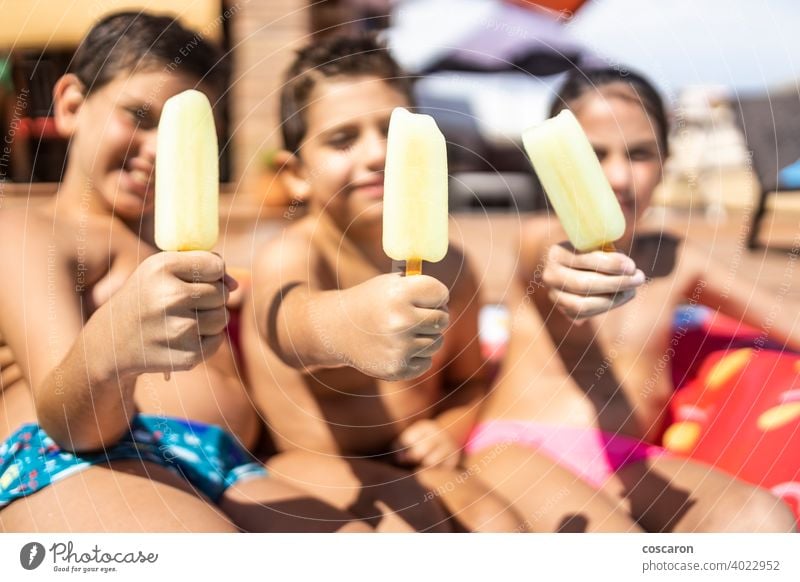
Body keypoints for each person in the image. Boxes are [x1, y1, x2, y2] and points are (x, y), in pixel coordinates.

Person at [0, 12, 371, 533]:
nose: (157, 150)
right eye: (139, 116)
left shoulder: (176, 251)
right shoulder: (30, 231)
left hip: (223, 466)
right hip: (80, 456)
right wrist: (115, 341)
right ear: (71, 106)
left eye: (183, 134)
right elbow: (72, 423)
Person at [464, 67, 798, 532]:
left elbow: (784, 316)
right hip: (518, 449)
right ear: (556, 166)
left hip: (630, 459)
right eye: (593, 155)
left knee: (763, 520)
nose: (618, 176)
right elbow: (548, 266)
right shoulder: (540, 238)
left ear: (665, 163)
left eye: (639, 154)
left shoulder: (678, 260)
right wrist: (566, 275)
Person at [242, 35, 521, 532]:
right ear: (297, 174)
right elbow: (291, 326)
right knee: (410, 522)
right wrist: (349, 324)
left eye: (395, 132)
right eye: (342, 139)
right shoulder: (292, 258)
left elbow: (470, 383)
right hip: (310, 468)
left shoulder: (452, 268)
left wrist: (448, 430)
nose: (377, 154)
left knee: (501, 525)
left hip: (418, 464)